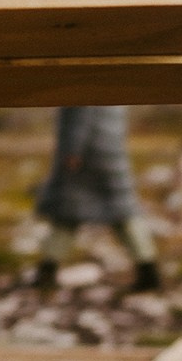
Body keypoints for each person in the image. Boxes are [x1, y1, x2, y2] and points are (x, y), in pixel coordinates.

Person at [30, 105, 161, 292]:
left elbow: (82, 110)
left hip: (87, 153)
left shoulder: (85, 79)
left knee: (67, 210)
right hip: (111, 150)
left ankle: (47, 271)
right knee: (121, 211)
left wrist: (73, 150)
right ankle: (148, 270)